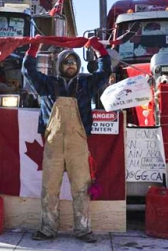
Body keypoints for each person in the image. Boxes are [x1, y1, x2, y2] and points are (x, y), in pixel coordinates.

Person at [22, 36, 112, 243]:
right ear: (59, 66)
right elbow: (28, 71)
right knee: (49, 188)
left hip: (78, 145)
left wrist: (100, 50)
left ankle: (83, 230)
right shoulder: (47, 84)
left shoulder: (86, 84)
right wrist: (34, 48)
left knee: (81, 188)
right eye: (66, 62)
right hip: (53, 145)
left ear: (78, 66)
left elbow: (104, 71)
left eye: (73, 62)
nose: (70, 65)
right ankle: (47, 229)